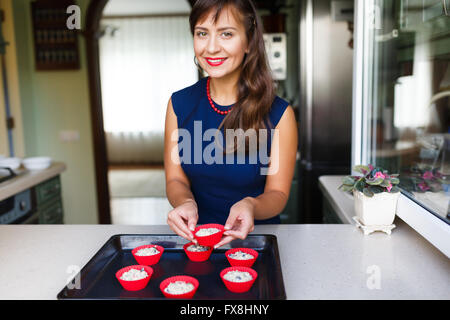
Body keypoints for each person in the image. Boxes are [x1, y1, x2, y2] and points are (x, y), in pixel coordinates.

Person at [164, 0, 298, 249]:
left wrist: (250, 204)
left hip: (258, 243)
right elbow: (175, 179)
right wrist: (185, 202)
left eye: (226, 34)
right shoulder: (178, 104)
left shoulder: (280, 114)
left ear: (248, 41)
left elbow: (277, 194)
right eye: (202, 33)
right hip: (196, 242)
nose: (211, 47)